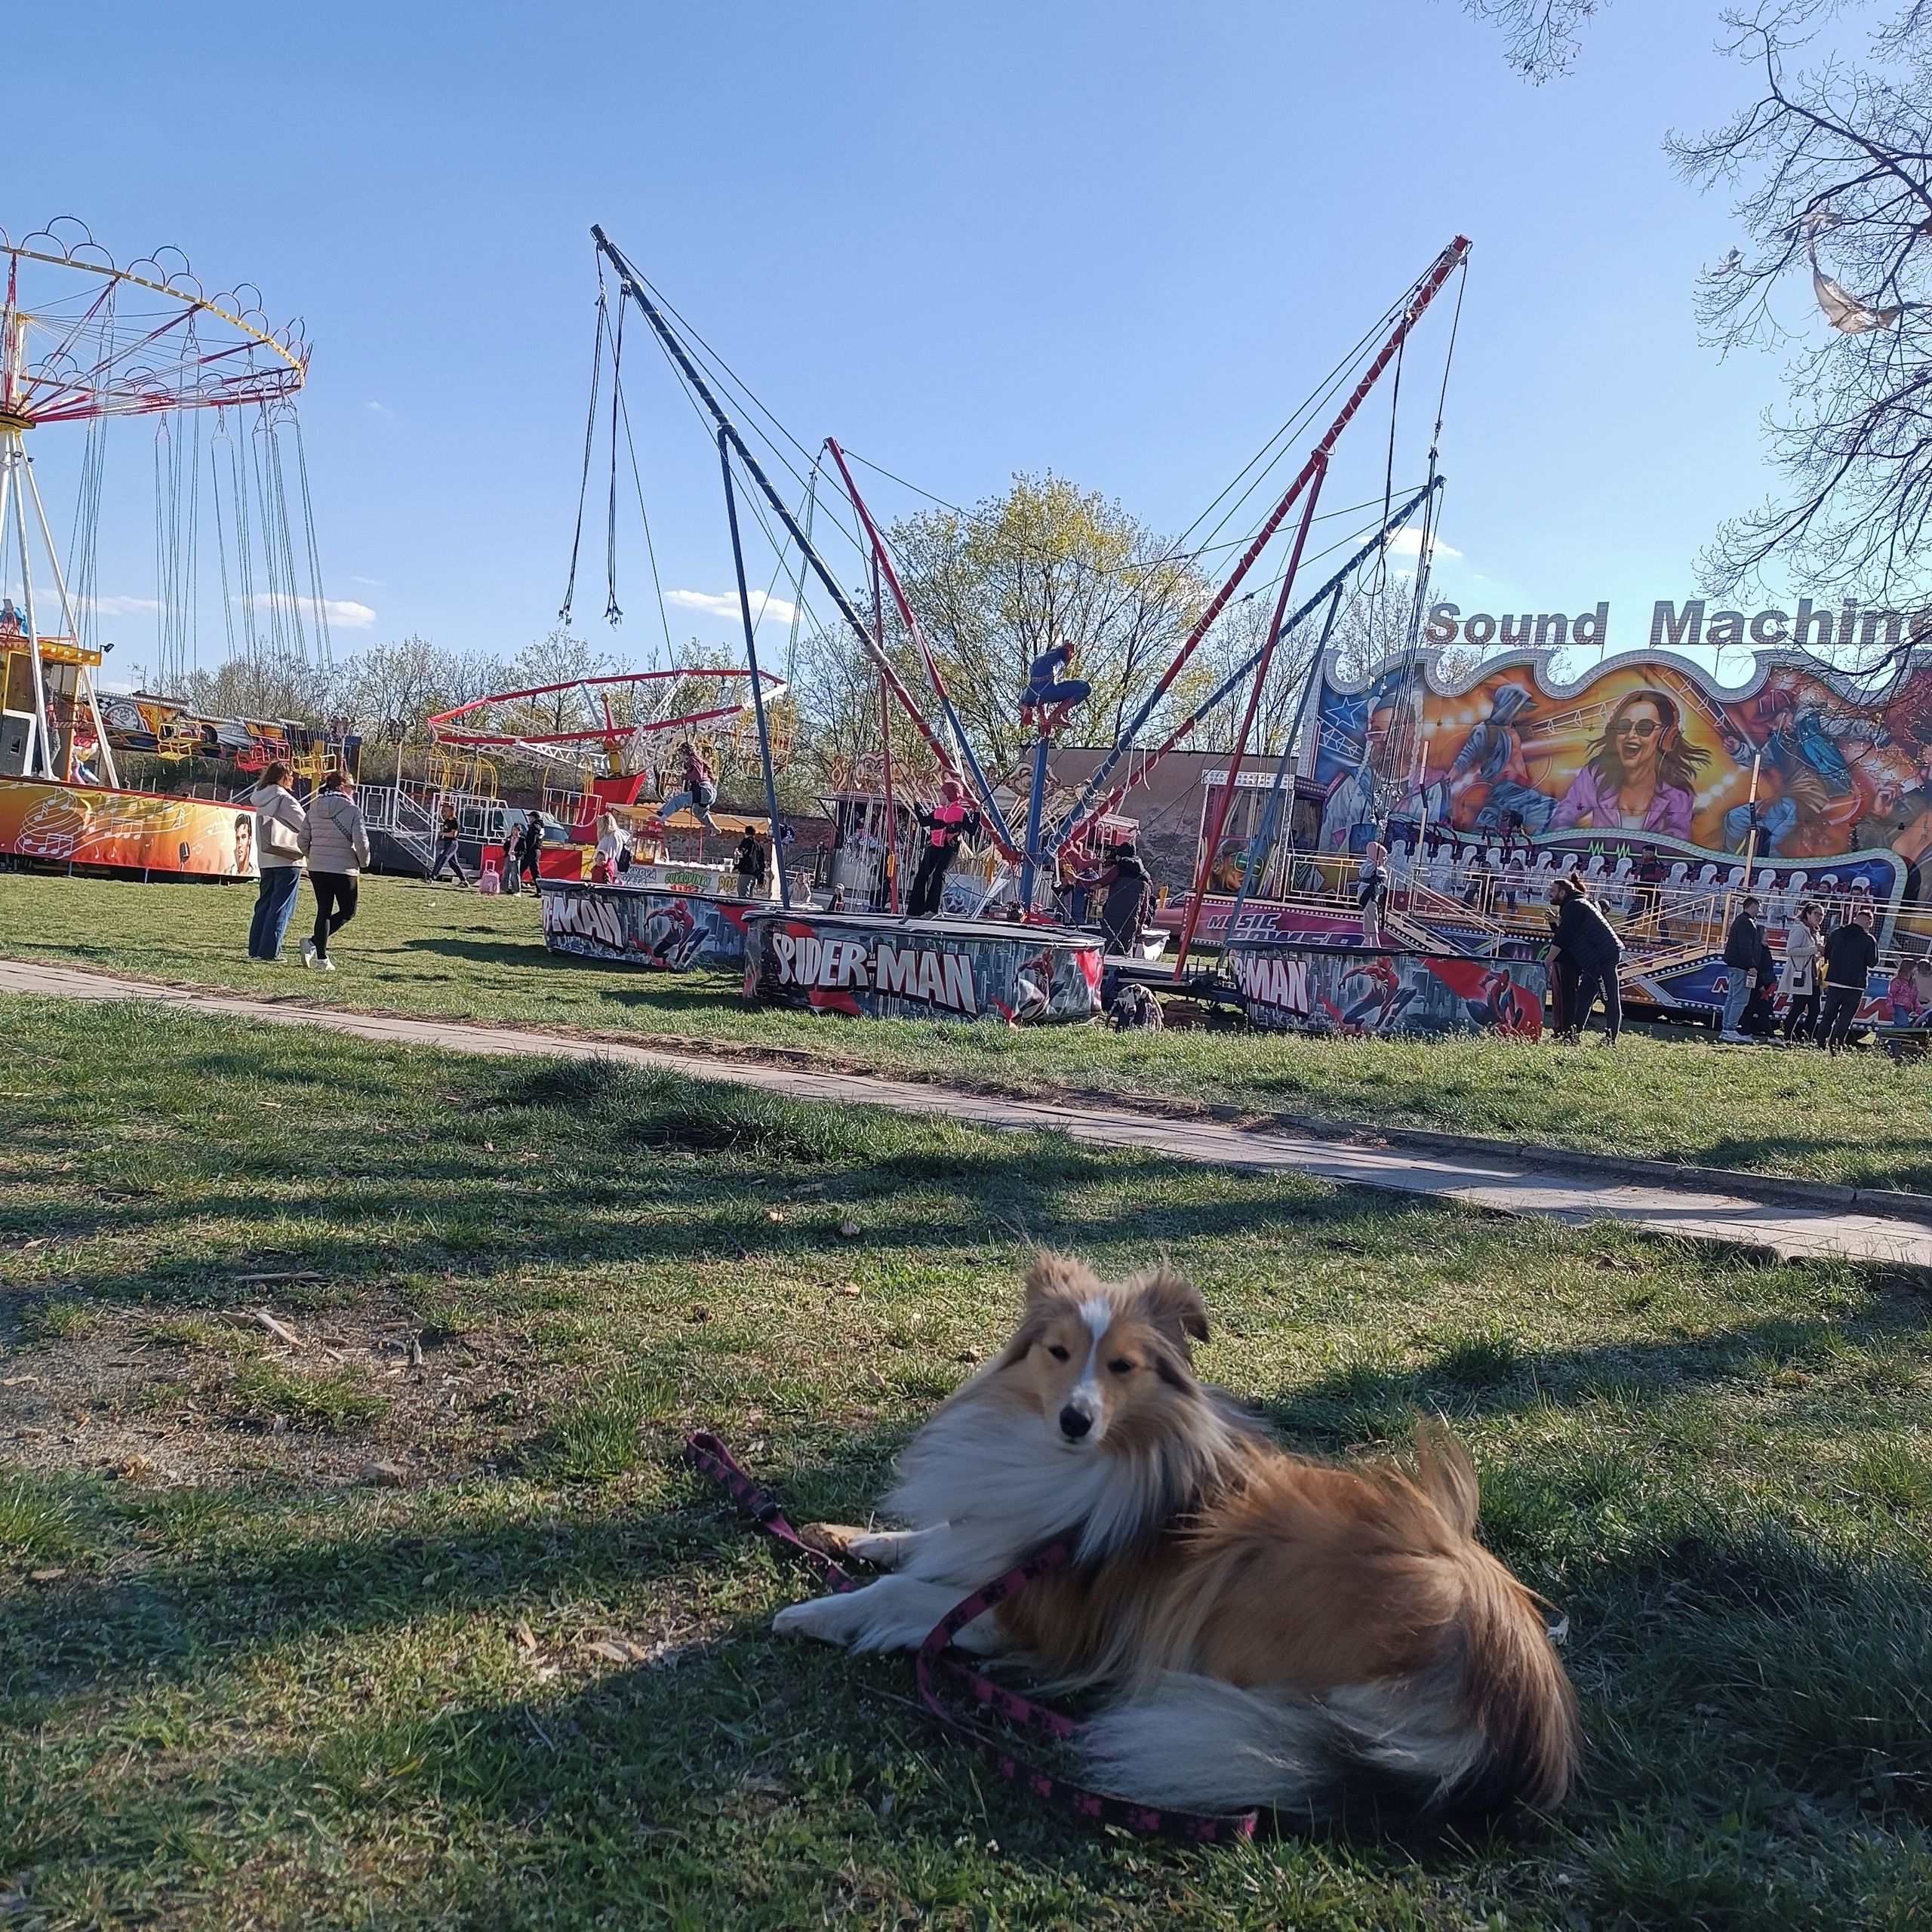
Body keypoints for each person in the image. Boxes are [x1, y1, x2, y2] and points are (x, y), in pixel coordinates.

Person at [1552, 688, 1707, 840]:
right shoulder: (1595, 776)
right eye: (1624, 726)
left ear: (1667, 737)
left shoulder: (1678, 795)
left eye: (1645, 727)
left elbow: (1675, 846)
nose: (1631, 735)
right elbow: (1562, 821)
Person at [297, 772, 370, 973]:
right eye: (352, 787)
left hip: (318, 868)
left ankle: (320, 957)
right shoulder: (353, 811)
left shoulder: (314, 808)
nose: (353, 791)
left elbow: (302, 840)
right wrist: (363, 863)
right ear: (342, 787)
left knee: (324, 911)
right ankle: (313, 944)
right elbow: (361, 843)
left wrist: (315, 855)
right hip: (344, 868)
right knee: (348, 911)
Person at [1549, 875, 1623, 1041]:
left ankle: (1610, 1040)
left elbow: (1564, 937)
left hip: (1603, 958)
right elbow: (1570, 934)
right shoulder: (1574, 904)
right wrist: (1556, 924)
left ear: (1562, 892)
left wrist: (1547, 961)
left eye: (1552, 891)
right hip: (1593, 961)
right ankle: (1572, 1036)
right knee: (1583, 997)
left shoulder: (1574, 906)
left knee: (1609, 998)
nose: (1549, 894)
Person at [248, 761, 308, 962]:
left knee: (264, 905)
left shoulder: (260, 797)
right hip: (288, 857)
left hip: (266, 858)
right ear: (284, 777)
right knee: (281, 907)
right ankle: (270, 952)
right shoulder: (285, 799)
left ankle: (256, 949)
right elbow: (305, 826)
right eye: (291, 777)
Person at [907, 779, 980, 918]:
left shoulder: (960, 812)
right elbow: (923, 821)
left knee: (939, 873)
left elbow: (972, 830)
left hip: (950, 847)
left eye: (941, 794)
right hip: (934, 846)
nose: (939, 797)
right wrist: (917, 805)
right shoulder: (938, 811)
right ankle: (914, 910)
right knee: (922, 875)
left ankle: (933, 910)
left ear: (949, 796)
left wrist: (977, 814)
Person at [1818, 903, 1879, 1051]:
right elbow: (1872, 962)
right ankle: (1836, 1045)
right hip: (1855, 984)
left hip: (1835, 981)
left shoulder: (1837, 933)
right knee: (1845, 1018)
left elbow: (1827, 953)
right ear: (1868, 922)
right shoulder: (1868, 939)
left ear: (1855, 918)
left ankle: (1819, 1043)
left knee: (1828, 1016)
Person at [1089, 841, 1152, 958]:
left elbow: (1098, 885)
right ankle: (1121, 975)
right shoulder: (1146, 876)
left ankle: (1106, 975)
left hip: (1112, 917)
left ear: (1120, 856)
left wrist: (1077, 880)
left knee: (1108, 952)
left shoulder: (1118, 869)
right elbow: (1146, 905)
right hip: (1132, 920)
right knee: (1125, 954)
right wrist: (1141, 924)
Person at [1719, 894, 1765, 1042]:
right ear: (1751, 906)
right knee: (1740, 1000)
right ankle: (1730, 1029)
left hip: (1736, 965)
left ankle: (1726, 1028)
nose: (1759, 910)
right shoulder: (1746, 922)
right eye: (1758, 906)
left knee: (1732, 998)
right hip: (1741, 967)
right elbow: (1745, 946)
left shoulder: (1742, 920)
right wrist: (1751, 965)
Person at [1780, 901, 1826, 1043]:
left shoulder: (1815, 931)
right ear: (1808, 914)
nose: (1819, 917)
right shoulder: (1799, 929)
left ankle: (1807, 1039)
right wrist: (1815, 949)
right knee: (1798, 1008)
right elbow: (1791, 951)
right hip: (1803, 975)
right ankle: (1787, 1037)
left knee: (1815, 1009)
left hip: (1814, 976)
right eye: (1816, 914)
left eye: (1822, 915)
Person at [1019, 636, 1091, 724]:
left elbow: (1040, 699)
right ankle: (1056, 715)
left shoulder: (1028, 692)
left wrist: (1044, 719)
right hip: (1048, 691)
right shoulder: (1054, 656)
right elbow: (1043, 692)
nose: (1071, 656)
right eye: (1071, 652)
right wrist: (1066, 648)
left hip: (1036, 695)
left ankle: (1050, 716)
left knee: (1033, 699)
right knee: (1085, 687)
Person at [659, 740, 719, 832]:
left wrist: (685, 776)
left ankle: (663, 817)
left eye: (680, 754)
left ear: (684, 753)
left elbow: (697, 775)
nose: (679, 757)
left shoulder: (692, 759)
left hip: (703, 791)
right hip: (710, 794)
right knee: (699, 813)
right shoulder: (697, 761)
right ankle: (713, 827)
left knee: (678, 800)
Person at [1358, 840, 1390, 947]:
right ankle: (1374, 939)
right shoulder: (1367, 865)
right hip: (1367, 893)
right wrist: (1373, 866)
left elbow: (1383, 876)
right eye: (1383, 856)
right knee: (1372, 915)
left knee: (1370, 915)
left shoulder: (1381, 869)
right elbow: (1365, 874)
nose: (1385, 859)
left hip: (1374, 894)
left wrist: (1377, 868)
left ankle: (1368, 939)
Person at [429, 804, 469, 885]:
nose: (445, 812)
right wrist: (439, 838)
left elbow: (453, 835)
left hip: (452, 843)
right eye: (445, 811)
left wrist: (443, 833)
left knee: (442, 858)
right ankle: (464, 880)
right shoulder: (447, 821)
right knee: (453, 864)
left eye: (447, 811)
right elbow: (442, 830)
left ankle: (432, 877)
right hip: (446, 842)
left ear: (452, 811)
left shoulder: (455, 822)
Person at [734, 828, 771, 900]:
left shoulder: (746, 842)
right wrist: (760, 878)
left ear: (745, 833)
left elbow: (740, 854)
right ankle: (748, 908)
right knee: (749, 894)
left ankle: (743, 908)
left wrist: (736, 866)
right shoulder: (759, 846)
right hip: (754, 873)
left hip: (746, 871)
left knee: (743, 893)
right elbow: (761, 862)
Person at [591, 811, 626, 885]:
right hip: (603, 871)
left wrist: (606, 872)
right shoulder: (610, 836)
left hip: (605, 873)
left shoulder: (612, 836)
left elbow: (610, 857)